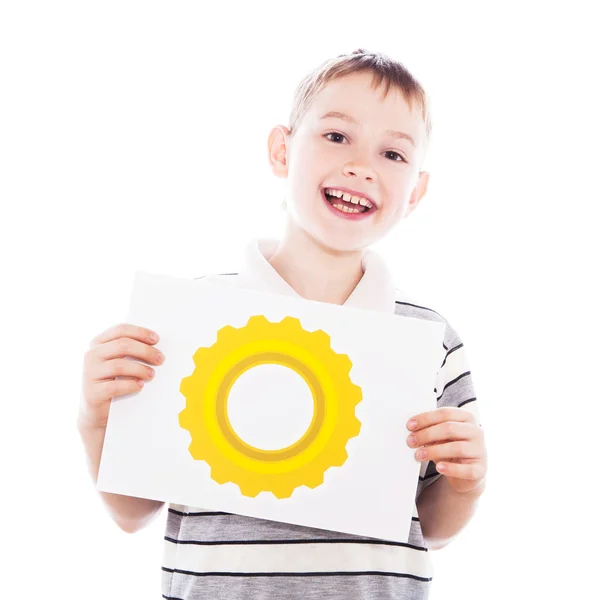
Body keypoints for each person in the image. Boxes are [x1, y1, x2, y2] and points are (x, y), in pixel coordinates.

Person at [78, 48, 488, 600]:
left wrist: (468, 482)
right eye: (337, 137)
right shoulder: (192, 317)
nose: (361, 166)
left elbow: (432, 526)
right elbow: (132, 512)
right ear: (281, 149)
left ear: (415, 192)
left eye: (392, 153)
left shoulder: (430, 339)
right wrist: (96, 418)